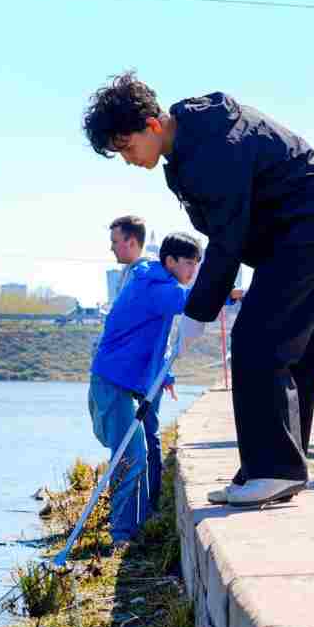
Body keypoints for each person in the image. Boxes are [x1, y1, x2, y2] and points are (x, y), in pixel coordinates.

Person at [83, 73, 314, 507]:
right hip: (300, 232)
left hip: (308, 229)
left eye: (127, 148)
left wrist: (198, 312)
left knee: (256, 342)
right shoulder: (191, 146)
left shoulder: (210, 149)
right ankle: (275, 468)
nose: (129, 160)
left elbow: (226, 239)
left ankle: (275, 469)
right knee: (293, 349)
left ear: (152, 125)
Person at [89, 231, 201, 544]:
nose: (193, 271)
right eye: (190, 263)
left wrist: (165, 377)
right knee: (131, 453)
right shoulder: (154, 285)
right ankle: (122, 533)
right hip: (112, 382)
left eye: (197, 265)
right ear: (171, 261)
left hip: (126, 383)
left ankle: (134, 524)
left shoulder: (156, 281)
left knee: (136, 451)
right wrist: (227, 292)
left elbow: (155, 341)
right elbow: (191, 302)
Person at [106, 215, 180, 512]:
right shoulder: (130, 274)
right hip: (131, 370)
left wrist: (166, 373)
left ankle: (151, 504)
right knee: (136, 437)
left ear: (131, 241)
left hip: (146, 372)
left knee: (148, 437)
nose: (111, 248)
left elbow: (160, 329)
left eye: (115, 241)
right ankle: (136, 504)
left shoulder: (149, 274)